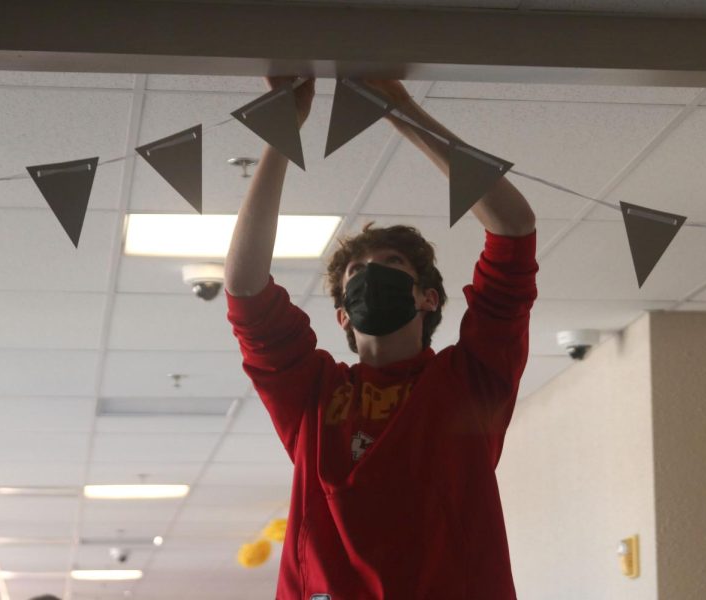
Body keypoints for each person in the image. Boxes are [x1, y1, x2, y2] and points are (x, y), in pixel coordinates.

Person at [225, 77, 538, 599]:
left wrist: (400, 110)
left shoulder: (469, 381)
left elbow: (514, 228)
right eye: (356, 273)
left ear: (428, 298)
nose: (371, 272)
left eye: (391, 264)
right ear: (344, 317)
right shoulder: (313, 394)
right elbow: (244, 288)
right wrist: (282, 134)